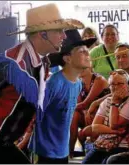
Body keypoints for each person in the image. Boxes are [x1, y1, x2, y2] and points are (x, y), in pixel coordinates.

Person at [0, 3, 84, 164]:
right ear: (43, 34)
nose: (64, 36)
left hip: (0, 144)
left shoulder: (42, 63)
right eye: (59, 31)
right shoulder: (14, 64)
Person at [28, 29, 97, 164]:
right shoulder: (54, 83)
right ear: (67, 58)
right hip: (43, 151)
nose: (88, 54)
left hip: (61, 150)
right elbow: (33, 114)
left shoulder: (78, 84)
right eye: (82, 51)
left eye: (87, 50)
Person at [82, 69, 129, 164]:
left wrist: (115, 102)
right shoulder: (107, 101)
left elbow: (114, 124)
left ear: (127, 85)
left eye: (120, 84)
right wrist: (115, 131)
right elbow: (95, 127)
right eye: (112, 84)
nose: (115, 87)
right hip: (102, 144)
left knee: (108, 161)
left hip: (122, 146)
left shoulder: (128, 102)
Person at [70, 67, 109, 156]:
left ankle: (92, 150)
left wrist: (64, 109)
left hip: (103, 115)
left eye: (84, 67)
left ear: (90, 68)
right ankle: (70, 151)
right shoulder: (79, 82)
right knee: (74, 115)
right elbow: (79, 104)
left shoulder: (98, 79)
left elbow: (85, 103)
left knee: (91, 113)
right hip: (88, 114)